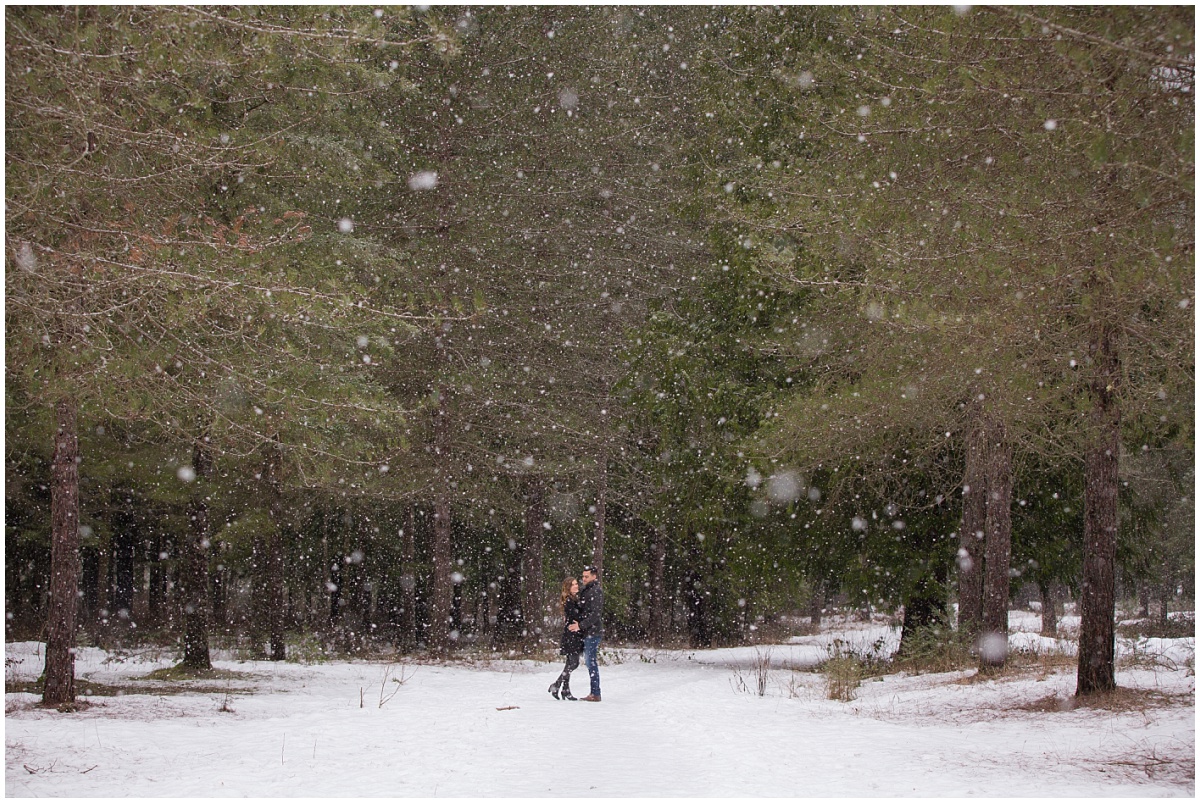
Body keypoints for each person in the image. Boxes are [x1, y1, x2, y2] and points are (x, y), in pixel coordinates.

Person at [569, 565, 603, 702]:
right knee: (589, 661)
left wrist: (581, 625)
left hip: (592, 632)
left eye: (586, 577)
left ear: (594, 576)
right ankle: (594, 692)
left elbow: (595, 614)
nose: (584, 579)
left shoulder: (596, 591)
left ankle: (595, 692)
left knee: (591, 662)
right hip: (587, 631)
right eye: (583, 576)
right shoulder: (587, 590)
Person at [548, 577, 583, 701]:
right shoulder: (569, 601)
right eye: (573, 584)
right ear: (568, 587)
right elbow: (575, 615)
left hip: (574, 635)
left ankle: (565, 690)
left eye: (576, 584)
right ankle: (556, 685)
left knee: (570, 663)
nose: (576, 586)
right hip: (571, 635)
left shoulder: (574, 599)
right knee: (574, 663)